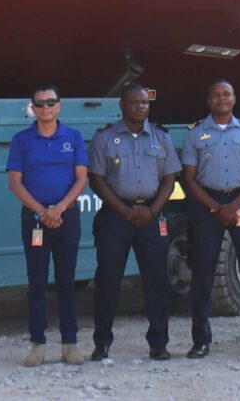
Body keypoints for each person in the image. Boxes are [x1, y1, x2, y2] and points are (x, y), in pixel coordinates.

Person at [180, 79, 240, 358]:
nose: (222, 98)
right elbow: (189, 178)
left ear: (234, 99)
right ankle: (201, 341)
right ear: (209, 101)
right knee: (203, 274)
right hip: (208, 204)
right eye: (216, 95)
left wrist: (233, 206)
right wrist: (215, 208)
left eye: (227, 94)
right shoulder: (195, 134)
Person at [88, 87, 180, 362]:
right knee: (108, 281)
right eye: (134, 102)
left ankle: (159, 343)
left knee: (157, 281)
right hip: (116, 216)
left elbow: (169, 178)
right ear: (122, 105)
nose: (140, 107)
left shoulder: (161, 137)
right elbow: (96, 179)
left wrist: (152, 210)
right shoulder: (105, 137)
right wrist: (125, 211)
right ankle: (102, 343)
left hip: (151, 216)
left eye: (144, 102)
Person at [5, 85, 90, 367]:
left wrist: (60, 209)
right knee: (37, 283)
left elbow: (81, 179)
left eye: (50, 102)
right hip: (35, 220)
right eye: (39, 104)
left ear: (59, 106)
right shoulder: (21, 140)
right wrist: (43, 212)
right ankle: (37, 345)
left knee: (67, 282)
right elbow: (15, 183)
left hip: (67, 217)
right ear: (33, 108)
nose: (45, 108)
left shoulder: (74, 138)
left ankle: (70, 345)